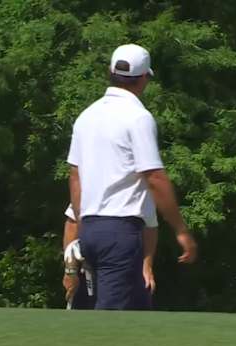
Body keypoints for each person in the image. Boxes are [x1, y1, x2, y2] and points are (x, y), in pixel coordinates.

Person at [67, 43, 197, 310]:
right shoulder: (138, 117)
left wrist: (84, 226)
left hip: (90, 228)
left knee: (139, 312)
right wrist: (181, 230)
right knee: (111, 323)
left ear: (110, 72)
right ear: (144, 78)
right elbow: (154, 177)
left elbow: (75, 176)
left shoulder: (86, 117)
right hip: (120, 232)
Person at [62, 198, 158, 309]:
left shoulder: (140, 193)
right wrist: (70, 271)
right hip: (87, 266)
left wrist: (147, 267)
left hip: (128, 263)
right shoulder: (90, 189)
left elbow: (150, 227)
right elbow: (72, 222)